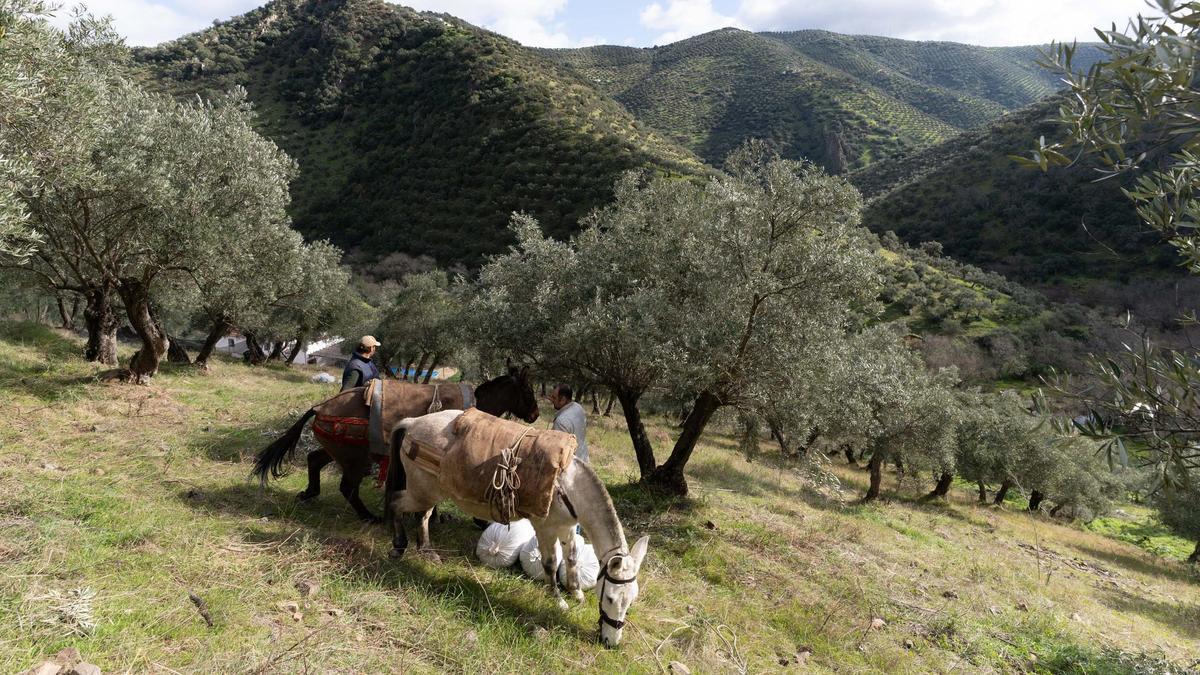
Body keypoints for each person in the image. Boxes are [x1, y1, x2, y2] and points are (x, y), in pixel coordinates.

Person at [549, 384, 588, 463]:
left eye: (554, 397)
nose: (551, 399)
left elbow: (557, 452)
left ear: (563, 399)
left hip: (571, 465)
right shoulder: (578, 407)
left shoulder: (561, 421)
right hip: (583, 459)